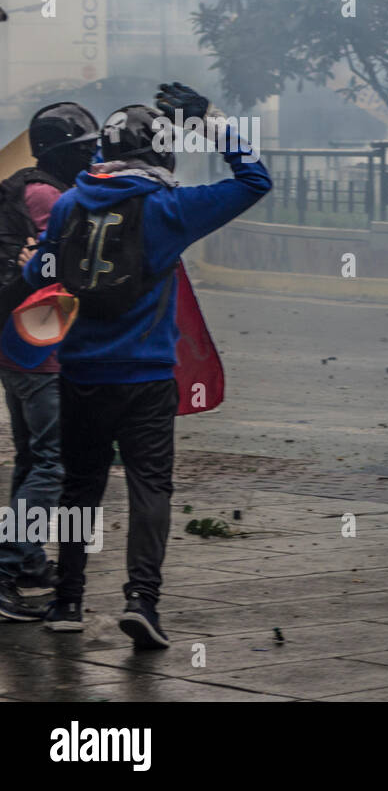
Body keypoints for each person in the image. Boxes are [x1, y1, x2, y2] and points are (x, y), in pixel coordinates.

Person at [26, 84, 271, 647]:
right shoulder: (170, 209)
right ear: (162, 154)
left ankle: (67, 602)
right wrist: (208, 120)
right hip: (146, 376)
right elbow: (255, 179)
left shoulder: (68, 204)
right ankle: (143, 601)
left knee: (78, 487)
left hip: (80, 373)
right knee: (149, 487)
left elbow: (42, 273)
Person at [0, 103, 98, 621]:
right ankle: (5, 564)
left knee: (31, 459)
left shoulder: (23, 185)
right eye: (83, 150)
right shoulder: (48, 195)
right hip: (40, 349)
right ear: (60, 153)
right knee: (53, 465)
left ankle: (30, 559)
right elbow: (67, 259)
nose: (92, 157)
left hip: (16, 347)